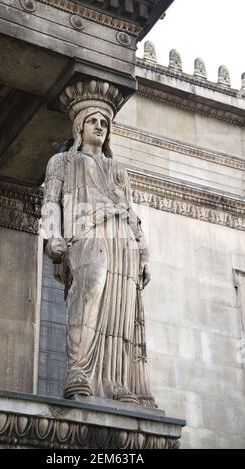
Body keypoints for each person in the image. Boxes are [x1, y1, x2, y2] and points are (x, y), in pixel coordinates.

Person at [41, 101, 155, 407]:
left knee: (121, 308)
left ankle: (115, 381)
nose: (99, 126)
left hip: (123, 242)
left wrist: (143, 250)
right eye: (92, 120)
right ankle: (79, 371)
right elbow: (51, 201)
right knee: (89, 291)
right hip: (85, 235)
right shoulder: (62, 162)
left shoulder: (118, 170)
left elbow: (131, 213)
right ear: (80, 127)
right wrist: (52, 235)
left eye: (104, 122)